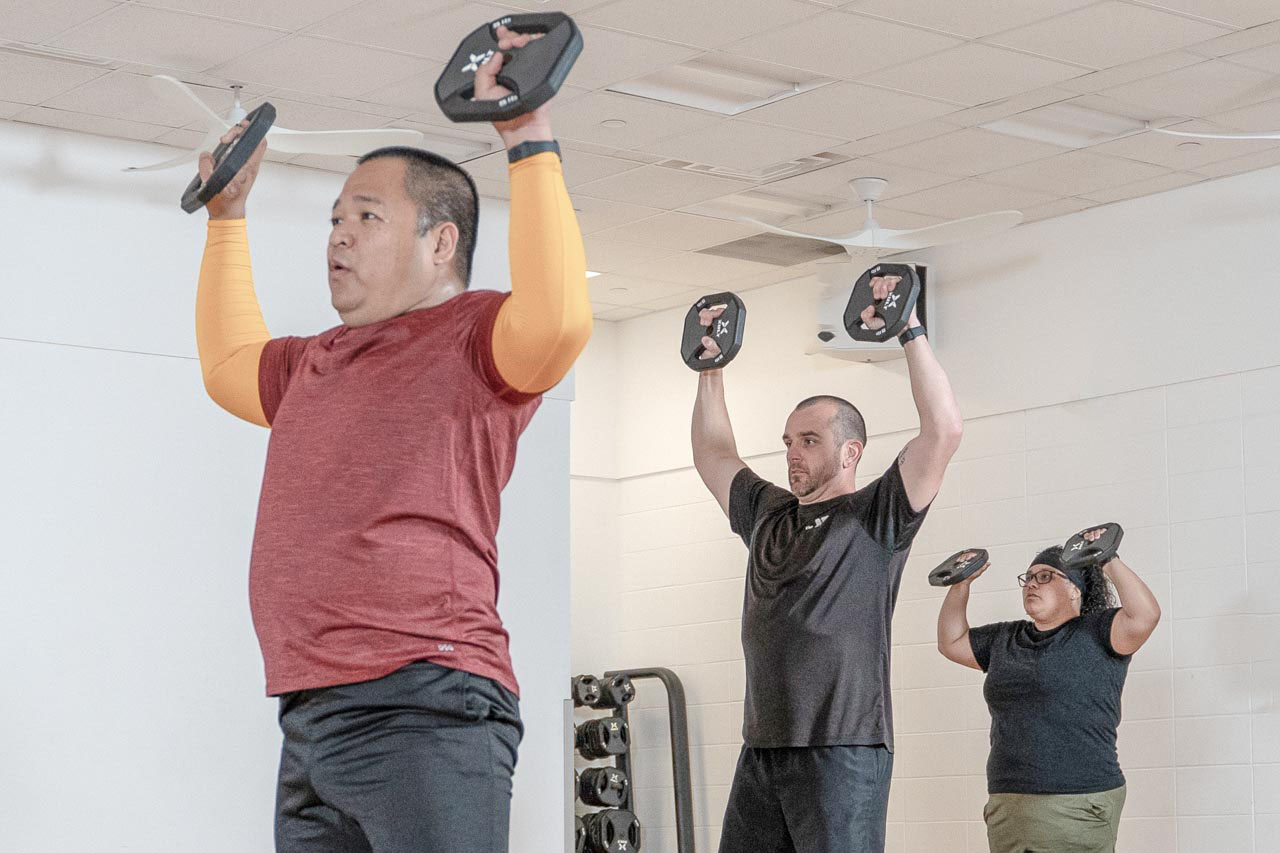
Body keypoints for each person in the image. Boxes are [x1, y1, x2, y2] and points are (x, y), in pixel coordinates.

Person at [192, 27, 590, 853]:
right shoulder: (315, 362)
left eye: (367, 216)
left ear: (441, 242)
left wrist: (527, 138)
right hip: (311, 715)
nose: (338, 235)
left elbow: (558, 321)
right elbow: (230, 364)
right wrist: (227, 218)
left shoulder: (476, 339)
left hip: (428, 701)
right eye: (336, 218)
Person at [690, 277, 963, 852]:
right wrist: (710, 369)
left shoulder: (877, 516)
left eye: (809, 440)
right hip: (763, 746)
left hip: (844, 746)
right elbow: (715, 454)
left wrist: (908, 328)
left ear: (850, 452)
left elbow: (943, 430)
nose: (792, 453)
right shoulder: (768, 513)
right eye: (788, 440)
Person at [935, 528, 1162, 853]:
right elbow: (951, 642)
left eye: (1044, 576)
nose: (1031, 584)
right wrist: (961, 584)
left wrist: (1106, 557)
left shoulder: (1099, 632)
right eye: (1027, 578)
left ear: (1075, 590)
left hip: (1078, 802)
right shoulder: (1006, 639)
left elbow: (1145, 615)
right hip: (1009, 804)